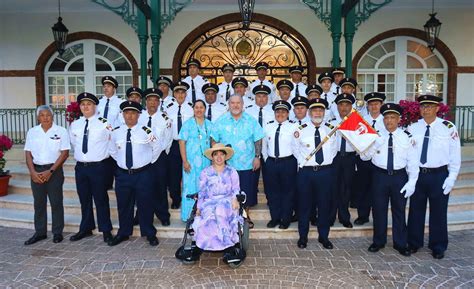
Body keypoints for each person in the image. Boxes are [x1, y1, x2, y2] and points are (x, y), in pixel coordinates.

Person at [407, 95, 461, 260]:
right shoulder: (413, 128)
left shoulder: (448, 127)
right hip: (419, 175)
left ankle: (438, 246)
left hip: (439, 175)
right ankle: (414, 242)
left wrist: (452, 177)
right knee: (415, 210)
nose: (426, 110)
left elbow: (455, 154)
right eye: (423, 107)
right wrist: (410, 177)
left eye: (430, 106)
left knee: (438, 212)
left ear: (437, 108)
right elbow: (409, 153)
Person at [361, 103, 418, 256]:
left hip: (399, 176)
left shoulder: (406, 137)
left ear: (399, 119)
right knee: (379, 210)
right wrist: (374, 145)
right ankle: (378, 241)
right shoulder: (376, 135)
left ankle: (400, 243)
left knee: (399, 210)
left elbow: (412, 161)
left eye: (392, 117)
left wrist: (412, 181)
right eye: (386, 117)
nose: (389, 121)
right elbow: (364, 156)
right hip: (379, 175)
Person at [108, 101, 160, 246]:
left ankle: (149, 232)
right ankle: (123, 232)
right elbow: (112, 150)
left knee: (145, 204)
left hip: (143, 174)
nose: (129, 116)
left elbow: (157, 147)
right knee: (124, 205)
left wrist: (148, 162)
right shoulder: (116, 131)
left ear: (138, 115)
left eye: (133, 113)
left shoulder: (146, 131)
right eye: (127, 113)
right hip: (123, 175)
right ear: (123, 115)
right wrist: (121, 163)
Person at [211, 94, 264, 228]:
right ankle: (229, 217)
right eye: (232, 103)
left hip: (247, 164)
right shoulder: (221, 121)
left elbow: (258, 138)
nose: (235, 105)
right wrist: (216, 157)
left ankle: (245, 217)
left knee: (246, 191)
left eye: (238, 103)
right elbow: (213, 139)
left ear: (242, 104)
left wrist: (257, 156)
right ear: (229, 105)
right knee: (228, 192)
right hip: (227, 165)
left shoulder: (251, 120)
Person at [292, 98, 337, 249]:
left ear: (324, 113)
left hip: (325, 172)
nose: (318, 113)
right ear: (309, 113)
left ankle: (324, 237)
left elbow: (334, 150)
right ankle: (303, 237)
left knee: (324, 205)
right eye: (315, 110)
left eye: (321, 110)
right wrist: (304, 162)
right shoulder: (301, 129)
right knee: (304, 206)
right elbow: (295, 149)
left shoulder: (331, 129)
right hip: (306, 173)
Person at [68, 92, 113, 242]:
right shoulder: (75, 125)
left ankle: (106, 230)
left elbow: (111, 143)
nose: (86, 107)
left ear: (95, 106)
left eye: (89, 104)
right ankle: (86, 228)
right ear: (80, 107)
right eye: (83, 104)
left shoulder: (104, 123)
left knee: (101, 199)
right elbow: (74, 144)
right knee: (84, 199)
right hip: (81, 167)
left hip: (98, 168)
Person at [23, 105, 70, 245]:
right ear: (38, 117)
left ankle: (57, 232)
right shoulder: (32, 132)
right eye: (42, 115)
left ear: (52, 116)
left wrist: (50, 171)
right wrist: (32, 172)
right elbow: (28, 153)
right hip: (36, 171)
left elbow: (65, 153)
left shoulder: (61, 131)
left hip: (54, 171)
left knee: (56, 202)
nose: (45, 117)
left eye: (48, 115)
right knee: (39, 204)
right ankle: (40, 232)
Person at [192, 143, 242, 255]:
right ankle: (201, 245)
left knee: (220, 210)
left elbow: (236, 189)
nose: (219, 157)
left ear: (225, 156)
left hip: (227, 202)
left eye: (221, 154)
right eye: (216, 155)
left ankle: (228, 245)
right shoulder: (205, 172)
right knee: (208, 216)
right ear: (212, 157)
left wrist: (235, 199)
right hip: (209, 202)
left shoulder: (232, 171)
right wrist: (199, 207)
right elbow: (202, 192)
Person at [139, 88, 173, 226]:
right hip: (141, 156)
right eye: (150, 99)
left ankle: (163, 215)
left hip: (159, 158)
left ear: (159, 102)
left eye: (155, 100)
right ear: (145, 101)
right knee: (141, 187)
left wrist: (159, 153)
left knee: (160, 187)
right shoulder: (139, 117)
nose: (153, 102)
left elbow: (168, 139)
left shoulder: (165, 119)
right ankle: (140, 215)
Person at [262, 100, 297, 229]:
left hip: (288, 162)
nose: (280, 114)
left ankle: (285, 219)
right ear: (274, 113)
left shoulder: (293, 127)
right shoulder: (268, 126)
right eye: (278, 111)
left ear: (288, 113)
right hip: (271, 163)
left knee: (287, 192)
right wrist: (266, 159)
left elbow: (297, 147)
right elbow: (264, 145)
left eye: (283, 111)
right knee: (272, 192)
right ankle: (275, 218)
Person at [354, 92, 386, 226]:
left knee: (378, 190)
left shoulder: (387, 120)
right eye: (371, 104)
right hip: (364, 159)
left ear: (381, 105)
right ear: (367, 106)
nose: (374, 106)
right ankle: (363, 215)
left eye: (376, 104)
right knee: (363, 188)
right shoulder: (362, 120)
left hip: (380, 160)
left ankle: (377, 217)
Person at [179, 100, 213, 221]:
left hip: (206, 163)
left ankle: (204, 215)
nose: (199, 110)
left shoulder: (210, 124)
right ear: (193, 110)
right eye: (196, 107)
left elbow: (213, 142)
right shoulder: (187, 124)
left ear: (205, 109)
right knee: (190, 188)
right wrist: (184, 161)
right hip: (191, 163)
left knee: (205, 188)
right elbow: (182, 142)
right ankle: (189, 216)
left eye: (201, 107)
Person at [330, 93, 357, 228]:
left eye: (347, 104)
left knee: (346, 189)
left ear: (351, 107)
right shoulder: (330, 124)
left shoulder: (357, 124)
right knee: (332, 188)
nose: (344, 107)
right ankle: (330, 216)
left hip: (349, 159)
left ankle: (344, 217)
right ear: (337, 107)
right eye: (341, 104)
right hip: (334, 159)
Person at [165, 81, 194, 209]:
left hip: (189, 144)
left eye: (183, 92)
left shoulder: (192, 108)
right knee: (174, 174)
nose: (180, 95)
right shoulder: (168, 108)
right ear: (174, 94)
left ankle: (191, 197)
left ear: (186, 94)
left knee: (190, 172)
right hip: (174, 144)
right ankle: (175, 198)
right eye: (178, 92)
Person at [97, 76, 124, 190]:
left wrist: (112, 130)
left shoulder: (120, 102)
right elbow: (97, 117)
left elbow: (122, 120)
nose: (105, 88)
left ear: (114, 88)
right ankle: (107, 184)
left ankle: (119, 184)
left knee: (116, 161)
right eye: (104, 86)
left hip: (115, 136)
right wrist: (105, 125)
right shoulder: (98, 102)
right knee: (104, 162)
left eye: (108, 86)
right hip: (102, 136)